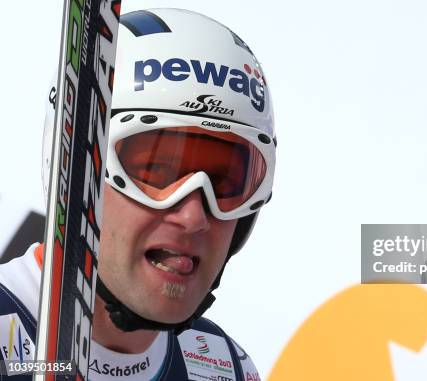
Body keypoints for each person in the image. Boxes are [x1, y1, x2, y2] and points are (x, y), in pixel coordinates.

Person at [0, 8, 274, 381]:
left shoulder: (222, 367)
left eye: (225, 183)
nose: (193, 216)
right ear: (77, 164)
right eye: (156, 171)